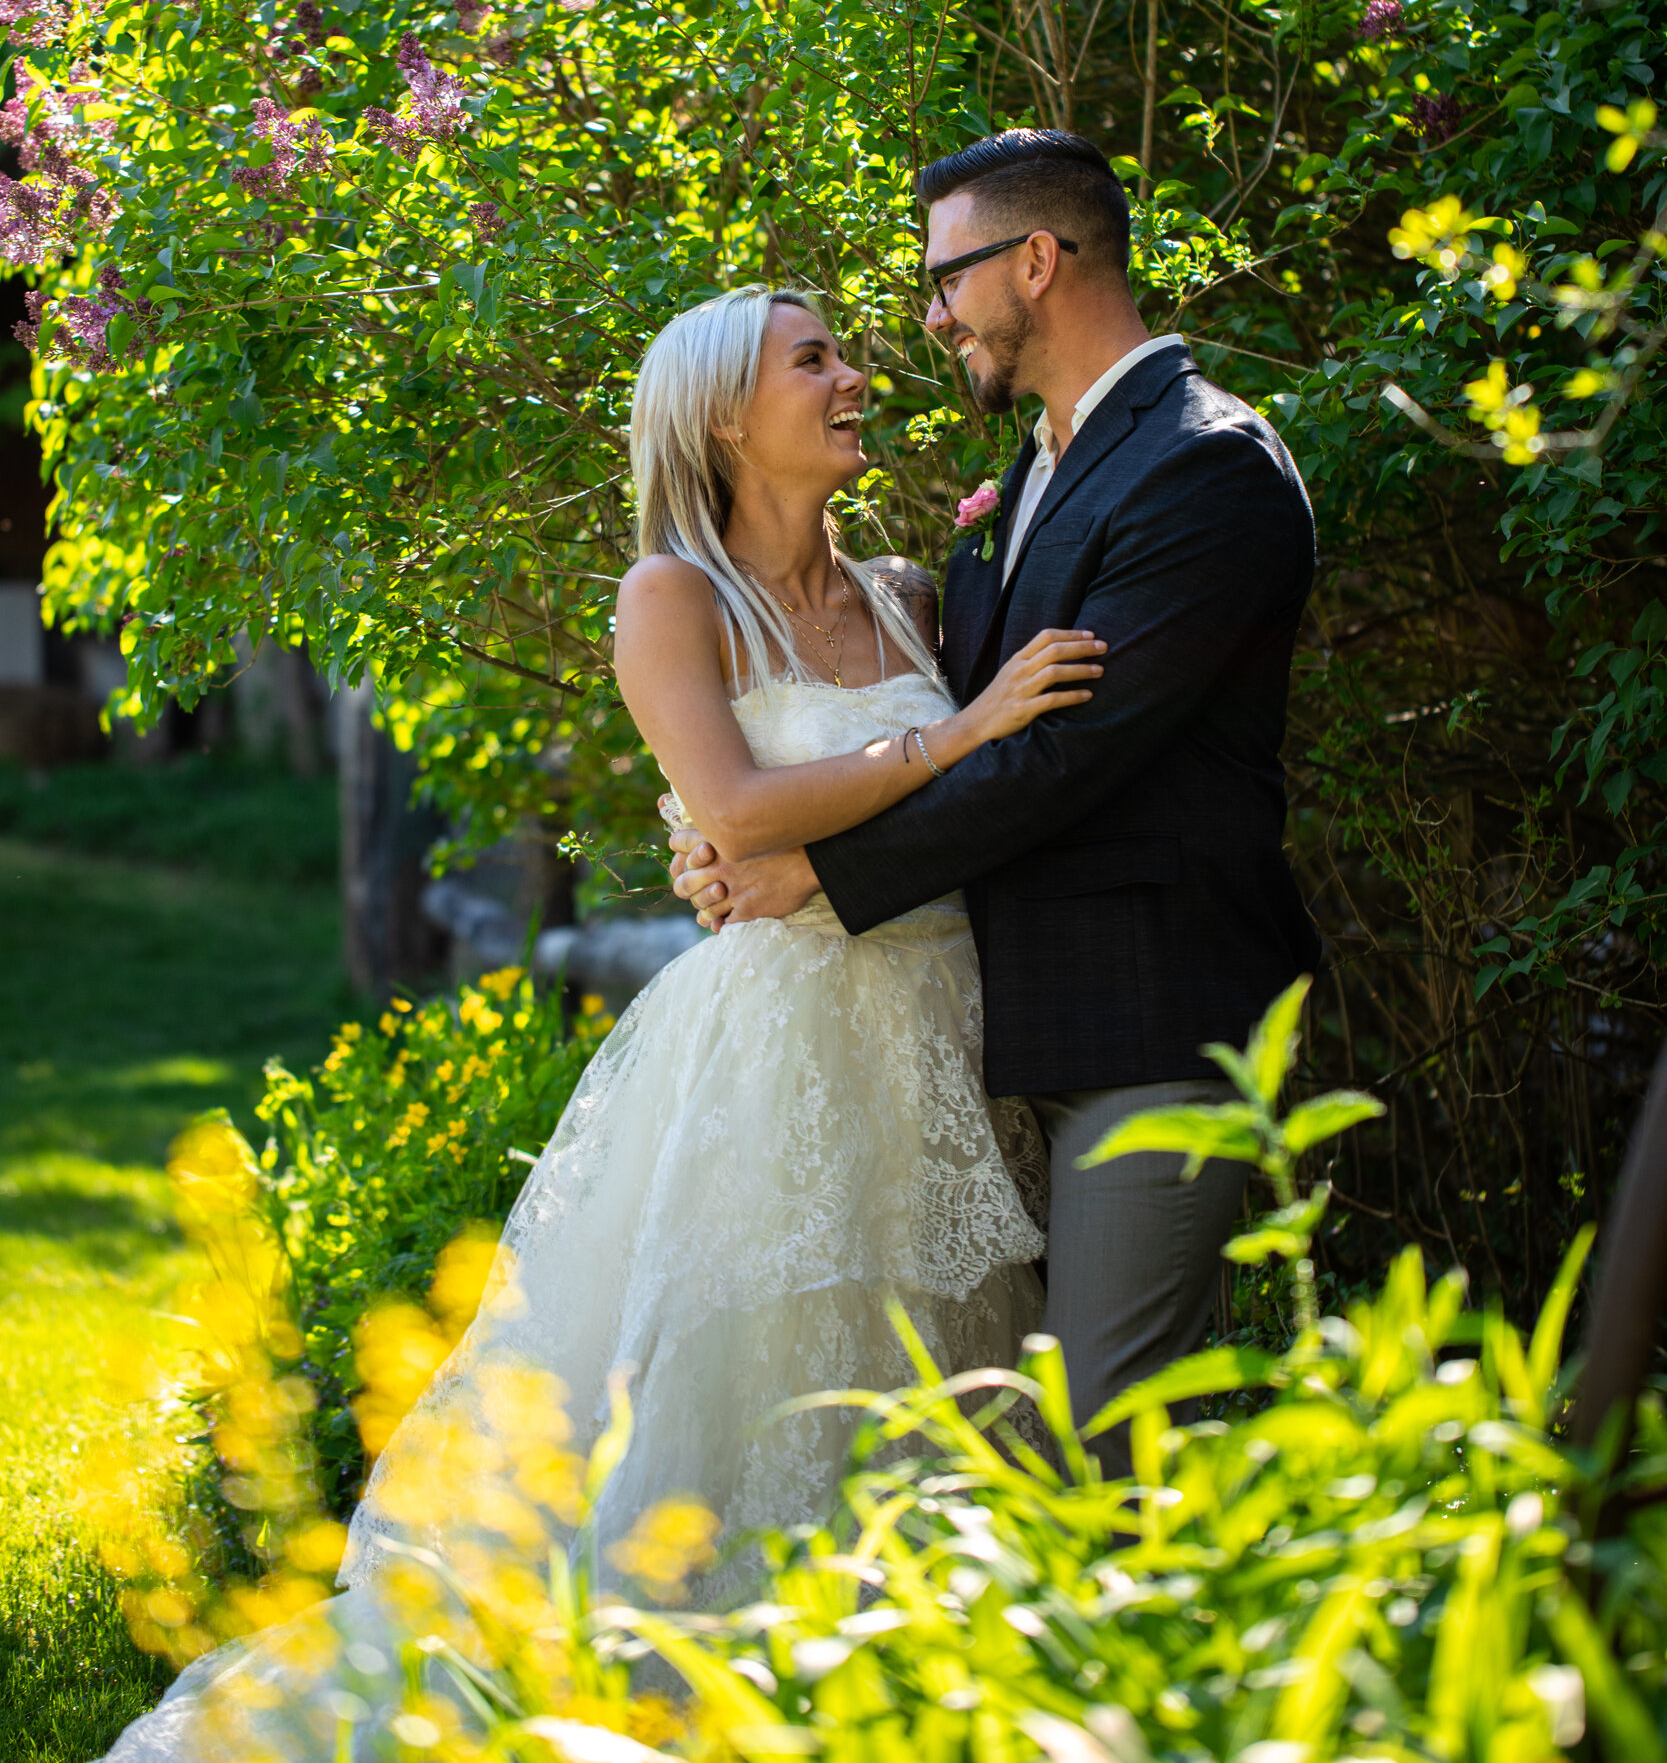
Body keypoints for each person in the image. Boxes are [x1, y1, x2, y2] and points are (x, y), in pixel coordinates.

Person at [100, 281, 1102, 1762]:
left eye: (845, 352)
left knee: (937, 1400)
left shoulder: (911, 587)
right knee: (761, 1402)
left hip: (949, 1046)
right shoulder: (672, 599)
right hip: (782, 1059)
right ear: (718, 412)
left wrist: (868, 787)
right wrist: (939, 741)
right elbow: (742, 809)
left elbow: (924, 817)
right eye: (812, 360)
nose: (852, 377)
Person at [673, 128, 1323, 1454]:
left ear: (1036, 262)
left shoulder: (1206, 464)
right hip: (999, 1044)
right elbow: (944, 719)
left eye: (948, 276)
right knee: (985, 1446)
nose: (929, 315)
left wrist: (810, 874)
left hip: (1151, 1024)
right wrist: (732, 830)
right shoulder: (1031, 475)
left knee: (1099, 1443)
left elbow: (1060, 753)